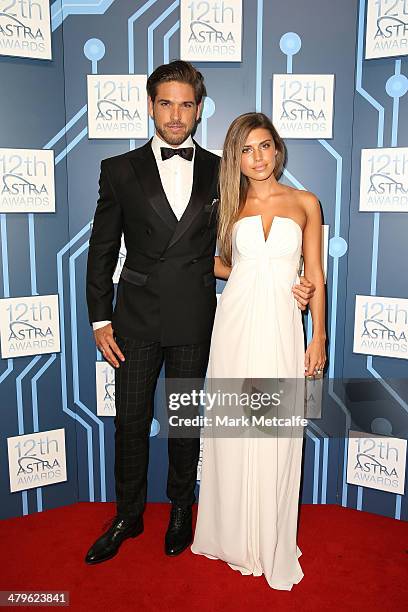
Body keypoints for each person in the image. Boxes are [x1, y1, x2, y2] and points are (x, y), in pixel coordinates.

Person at [85, 61, 315, 565]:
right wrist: (99, 319)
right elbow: (102, 248)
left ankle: (181, 511)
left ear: (198, 109)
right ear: (150, 106)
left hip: (196, 316)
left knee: (186, 420)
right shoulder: (119, 169)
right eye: (165, 103)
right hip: (135, 318)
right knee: (130, 421)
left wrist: (288, 280)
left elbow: (248, 244)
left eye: (185, 104)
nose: (175, 114)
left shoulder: (220, 169)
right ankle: (127, 514)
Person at [191, 112, 326, 590]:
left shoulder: (306, 202)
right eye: (246, 150)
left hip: (283, 326)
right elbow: (228, 267)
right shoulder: (228, 204)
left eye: (265, 146)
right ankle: (233, 534)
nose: (258, 157)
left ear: (277, 148)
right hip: (235, 324)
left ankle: (271, 538)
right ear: (237, 158)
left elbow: (315, 272)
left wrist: (319, 334)